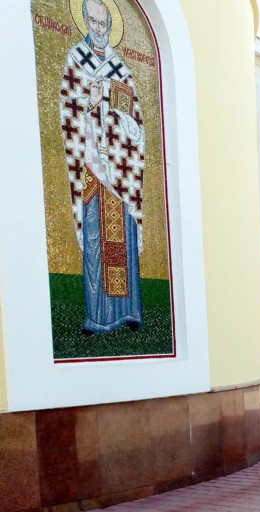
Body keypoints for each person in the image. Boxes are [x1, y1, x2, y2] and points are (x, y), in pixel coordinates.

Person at [62, 0, 145, 333]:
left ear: (111, 24)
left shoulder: (120, 68)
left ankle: (128, 311)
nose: (99, 30)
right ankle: (98, 315)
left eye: (104, 23)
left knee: (122, 239)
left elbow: (136, 123)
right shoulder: (74, 61)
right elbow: (67, 110)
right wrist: (88, 102)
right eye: (93, 23)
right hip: (91, 167)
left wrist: (110, 96)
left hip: (119, 171)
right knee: (96, 237)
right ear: (84, 22)